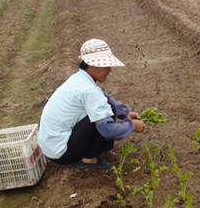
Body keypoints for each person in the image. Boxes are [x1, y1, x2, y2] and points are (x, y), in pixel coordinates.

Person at [38, 39, 146, 169]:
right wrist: (131, 126)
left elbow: (104, 98)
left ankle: (86, 151)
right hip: (62, 153)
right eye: (106, 66)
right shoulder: (89, 90)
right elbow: (107, 130)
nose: (109, 70)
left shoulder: (79, 79)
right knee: (103, 116)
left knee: (104, 108)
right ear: (93, 66)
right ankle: (88, 158)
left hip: (51, 148)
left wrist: (125, 112)